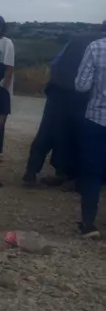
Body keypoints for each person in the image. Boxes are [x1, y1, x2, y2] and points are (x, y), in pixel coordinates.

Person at [22, 23, 106, 189]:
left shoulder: (78, 39)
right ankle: (74, 178)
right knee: (79, 135)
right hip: (81, 95)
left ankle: (31, 173)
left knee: (48, 130)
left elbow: (55, 63)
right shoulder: (99, 46)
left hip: (58, 89)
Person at [73, 35, 106, 238]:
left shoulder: (96, 48)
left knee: (92, 173)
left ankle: (89, 224)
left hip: (97, 120)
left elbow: (82, 85)